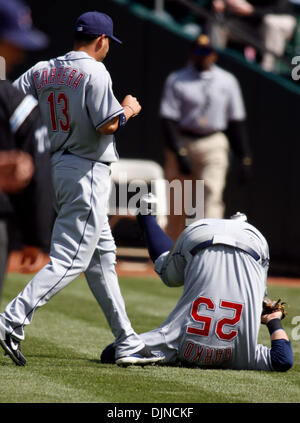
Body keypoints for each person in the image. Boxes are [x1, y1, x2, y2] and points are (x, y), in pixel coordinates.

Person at [0, 10, 165, 367]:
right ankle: (9, 321)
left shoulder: (43, 69)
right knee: (69, 258)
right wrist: (129, 109)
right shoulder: (94, 70)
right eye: (109, 43)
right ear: (102, 40)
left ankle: (127, 341)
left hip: (56, 164)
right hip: (85, 170)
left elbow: (10, 98)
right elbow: (107, 125)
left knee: (103, 257)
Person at [101, 194, 293, 371]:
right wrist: (272, 320)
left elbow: (283, 359)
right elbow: (111, 352)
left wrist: (272, 319)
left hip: (250, 240)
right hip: (204, 236)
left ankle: (148, 216)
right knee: (168, 272)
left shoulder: (243, 356)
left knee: (257, 292)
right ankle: (147, 215)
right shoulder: (176, 343)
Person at [160, 34, 252, 241]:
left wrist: (245, 156)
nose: (202, 56)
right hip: (183, 140)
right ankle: (172, 256)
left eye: (207, 51)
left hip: (213, 141)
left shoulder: (227, 81)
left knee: (211, 195)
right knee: (177, 202)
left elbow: (237, 122)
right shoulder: (177, 79)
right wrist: (178, 150)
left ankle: (209, 248)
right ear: (192, 53)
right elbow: (168, 119)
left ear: (214, 55)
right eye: (198, 51)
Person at [0, 0, 53, 300]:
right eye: (12, 41)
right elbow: (38, 176)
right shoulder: (17, 102)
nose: (20, 51)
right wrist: (36, 237)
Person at [210, 0, 296, 71]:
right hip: (249, 24)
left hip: (278, 22)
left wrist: (253, 11)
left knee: (271, 23)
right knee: (219, 24)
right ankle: (213, 64)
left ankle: (268, 71)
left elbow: (281, 10)